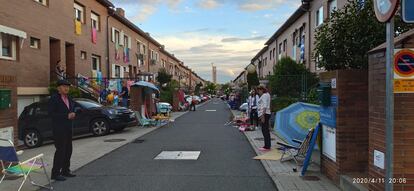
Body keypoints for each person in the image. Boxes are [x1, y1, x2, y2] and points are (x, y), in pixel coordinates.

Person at [48, 79, 76, 181]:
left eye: (68, 87)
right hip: (59, 129)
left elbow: (73, 109)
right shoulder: (54, 99)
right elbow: (51, 114)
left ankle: (65, 170)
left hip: (68, 128)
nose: (66, 88)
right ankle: (55, 173)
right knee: (60, 151)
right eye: (64, 86)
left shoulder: (69, 98)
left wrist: (74, 113)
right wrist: (66, 116)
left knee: (68, 150)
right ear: (58, 88)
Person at [257, 85, 271, 152]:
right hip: (266, 114)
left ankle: (267, 146)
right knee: (266, 130)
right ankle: (267, 145)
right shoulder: (267, 94)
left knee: (265, 131)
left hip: (265, 114)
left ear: (262, 90)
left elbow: (265, 106)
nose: (258, 92)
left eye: (259, 90)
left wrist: (262, 116)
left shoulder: (265, 95)